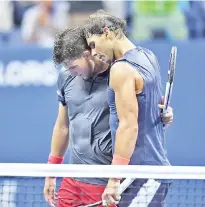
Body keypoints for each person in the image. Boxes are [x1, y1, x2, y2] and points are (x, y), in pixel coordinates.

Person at [44, 25, 173, 207]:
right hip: (72, 180)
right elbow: (62, 126)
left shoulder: (120, 74)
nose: (70, 72)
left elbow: (137, 120)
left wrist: (162, 115)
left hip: (105, 184)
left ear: (87, 53)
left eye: (73, 66)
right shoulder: (65, 77)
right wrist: (51, 172)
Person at [83, 10, 172, 206]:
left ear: (107, 33)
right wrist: (165, 115)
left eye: (93, 44)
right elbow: (156, 113)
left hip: (140, 174)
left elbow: (128, 126)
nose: (93, 53)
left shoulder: (121, 69)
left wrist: (114, 178)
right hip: (152, 170)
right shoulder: (149, 56)